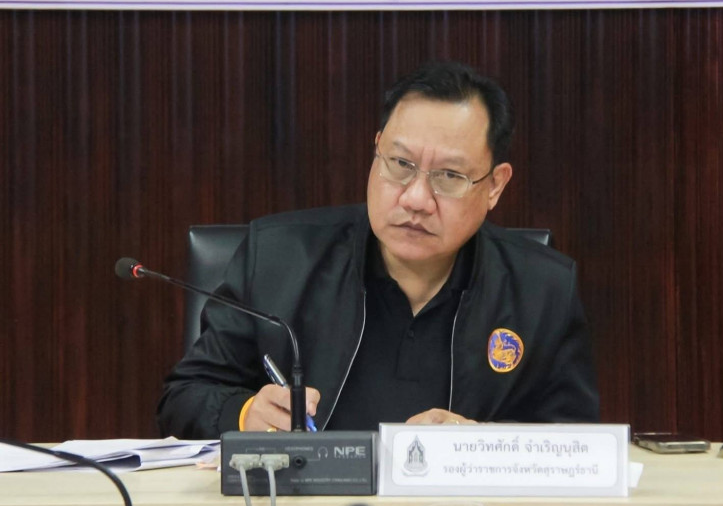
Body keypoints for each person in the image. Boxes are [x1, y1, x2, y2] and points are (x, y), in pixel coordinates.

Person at [157, 61, 599, 439]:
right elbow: (184, 398)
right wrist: (245, 414)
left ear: (495, 186)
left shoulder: (543, 289)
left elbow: (578, 441)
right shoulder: (278, 259)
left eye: (449, 176)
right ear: (376, 153)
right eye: (401, 164)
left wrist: (480, 446)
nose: (416, 199)